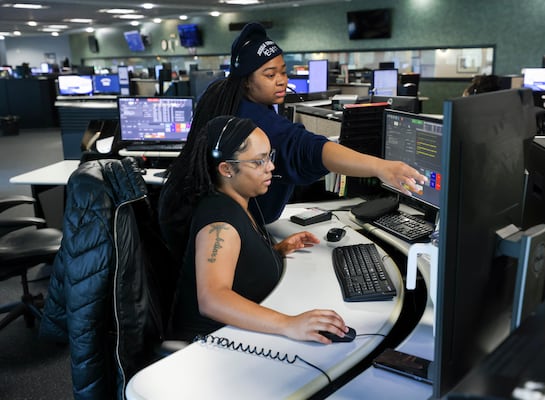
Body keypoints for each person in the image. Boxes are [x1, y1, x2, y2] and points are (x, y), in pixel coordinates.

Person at [169, 22, 427, 224]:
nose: (281, 80)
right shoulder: (254, 123)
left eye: (283, 71)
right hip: (227, 232)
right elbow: (309, 149)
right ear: (246, 81)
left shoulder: (220, 96)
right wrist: (380, 167)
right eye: (270, 74)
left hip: (195, 216)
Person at [161, 115, 349, 343]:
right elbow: (212, 299)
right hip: (210, 347)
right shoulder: (220, 224)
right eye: (258, 162)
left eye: (269, 156)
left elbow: (239, 264)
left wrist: (277, 250)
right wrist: (288, 324)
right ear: (227, 169)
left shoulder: (238, 203)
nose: (270, 167)